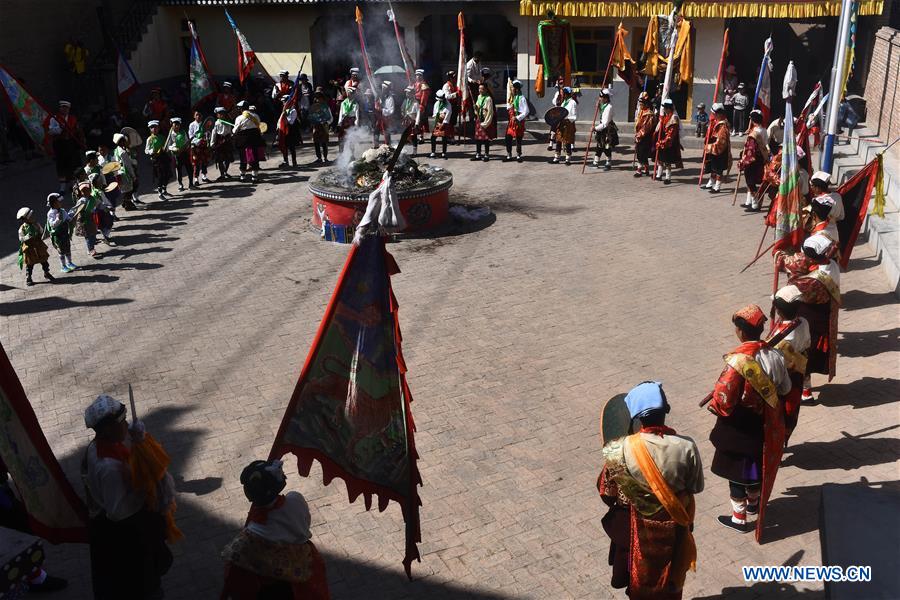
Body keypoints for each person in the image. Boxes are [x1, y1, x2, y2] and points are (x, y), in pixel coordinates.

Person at [597, 381, 703, 599]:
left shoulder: (618, 450)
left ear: (635, 418)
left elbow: (606, 492)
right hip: (674, 528)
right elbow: (696, 487)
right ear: (666, 410)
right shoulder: (686, 446)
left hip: (633, 530)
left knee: (636, 580)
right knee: (669, 581)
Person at [706, 305, 791, 535]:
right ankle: (754, 504)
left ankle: (739, 518)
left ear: (741, 332)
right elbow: (785, 388)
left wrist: (716, 405)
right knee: (755, 464)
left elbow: (723, 398)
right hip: (764, 422)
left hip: (737, 425)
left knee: (736, 472)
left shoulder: (737, 361)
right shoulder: (776, 355)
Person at [82, 395, 175, 600]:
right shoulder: (109, 468)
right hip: (126, 539)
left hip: (115, 529)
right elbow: (118, 512)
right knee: (142, 586)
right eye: (122, 422)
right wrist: (146, 490)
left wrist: (140, 441)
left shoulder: (96, 446)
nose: (126, 424)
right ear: (107, 429)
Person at [220, 460, 330, 599]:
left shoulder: (250, 536)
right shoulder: (296, 500)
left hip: (273, 589)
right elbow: (305, 523)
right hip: (305, 564)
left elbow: (236, 579)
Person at [776, 235, 841, 402]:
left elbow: (791, 292)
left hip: (808, 318)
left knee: (802, 354)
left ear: (811, 257)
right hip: (823, 315)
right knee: (810, 353)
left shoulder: (812, 282)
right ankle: (805, 390)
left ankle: (804, 391)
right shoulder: (832, 265)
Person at [768, 285, 811, 441]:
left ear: (779, 311)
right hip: (798, 374)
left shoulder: (782, 339)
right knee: (791, 412)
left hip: (783, 381)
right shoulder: (804, 323)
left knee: (779, 414)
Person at [45, 100, 84, 195]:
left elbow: (77, 130)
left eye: (66, 108)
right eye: (62, 107)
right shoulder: (54, 118)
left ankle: (73, 184)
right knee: (61, 165)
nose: (64, 109)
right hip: (60, 144)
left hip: (71, 144)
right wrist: (59, 128)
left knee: (72, 164)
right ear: (60, 108)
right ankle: (62, 187)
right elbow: (50, 131)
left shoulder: (72, 119)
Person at [737, 109, 769, 211]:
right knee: (753, 180)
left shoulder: (754, 134)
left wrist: (743, 161)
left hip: (752, 159)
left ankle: (755, 204)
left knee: (750, 181)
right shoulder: (763, 130)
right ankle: (749, 201)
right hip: (761, 158)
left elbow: (751, 149)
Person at [16, 207, 54, 286]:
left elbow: (41, 230)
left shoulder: (36, 224)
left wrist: (40, 231)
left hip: (38, 245)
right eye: (31, 217)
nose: (33, 218)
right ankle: (28, 277)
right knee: (30, 264)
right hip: (30, 248)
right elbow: (21, 239)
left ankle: (46, 272)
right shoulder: (22, 229)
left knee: (44, 261)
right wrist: (27, 237)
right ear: (25, 219)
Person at [702, 103, 732, 193]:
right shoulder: (716, 122)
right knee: (713, 167)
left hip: (720, 150)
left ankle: (717, 186)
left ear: (719, 114)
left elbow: (721, 143)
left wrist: (710, 147)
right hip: (714, 149)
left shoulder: (723, 126)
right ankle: (711, 182)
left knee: (719, 169)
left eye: (714, 114)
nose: (712, 115)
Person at [233, 104, 266, 183]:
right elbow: (259, 126)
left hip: (243, 141)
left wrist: (234, 130)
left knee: (243, 158)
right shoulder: (256, 116)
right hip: (254, 139)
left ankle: (242, 177)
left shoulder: (239, 118)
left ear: (241, 109)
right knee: (255, 158)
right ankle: (254, 178)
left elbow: (235, 131)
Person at [46, 193, 77, 273]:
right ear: (53, 203)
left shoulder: (62, 211)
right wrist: (58, 219)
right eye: (59, 202)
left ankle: (69, 263)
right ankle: (63, 266)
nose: (61, 203)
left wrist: (72, 218)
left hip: (65, 233)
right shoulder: (50, 213)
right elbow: (52, 225)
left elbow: (68, 218)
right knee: (61, 251)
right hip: (58, 235)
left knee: (68, 249)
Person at [655, 99, 682, 184]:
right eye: (664, 108)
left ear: (670, 108)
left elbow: (672, 133)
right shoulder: (664, 117)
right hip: (662, 140)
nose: (665, 110)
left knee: (667, 161)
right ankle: (659, 175)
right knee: (660, 159)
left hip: (669, 143)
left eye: (666, 108)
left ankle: (668, 177)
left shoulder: (674, 118)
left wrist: (664, 142)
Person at [73, 181, 101, 258]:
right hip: (84, 220)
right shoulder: (81, 200)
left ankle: (91, 247)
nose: (86, 192)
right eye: (83, 191)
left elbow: (99, 204)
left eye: (87, 190)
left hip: (92, 219)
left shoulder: (92, 199)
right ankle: (91, 249)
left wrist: (105, 208)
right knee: (88, 235)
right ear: (81, 192)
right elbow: (75, 210)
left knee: (93, 234)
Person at [145, 120, 171, 200]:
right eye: (152, 127)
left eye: (156, 127)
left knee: (167, 175)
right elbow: (146, 150)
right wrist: (151, 151)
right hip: (156, 159)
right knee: (160, 176)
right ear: (150, 129)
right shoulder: (149, 139)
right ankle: (160, 193)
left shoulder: (162, 137)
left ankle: (164, 189)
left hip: (164, 158)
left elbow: (167, 146)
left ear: (158, 128)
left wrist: (167, 149)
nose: (154, 129)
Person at [633, 92, 657, 178]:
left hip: (645, 137)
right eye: (640, 104)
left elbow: (646, 127)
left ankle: (639, 170)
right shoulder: (641, 112)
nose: (640, 106)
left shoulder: (649, 114)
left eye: (642, 104)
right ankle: (646, 169)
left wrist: (639, 135)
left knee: (641, 153)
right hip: (639, 135)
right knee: (641, 153)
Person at [113, 132, 139, 211]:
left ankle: (126, 202)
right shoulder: (123, 152)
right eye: (124, 141)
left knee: (124, 189)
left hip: (118, 172)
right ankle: (127, 203)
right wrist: (133, 175)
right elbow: (127, 165)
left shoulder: (116, 150)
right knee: (129, 189)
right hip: (125, 173)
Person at [592, 88, 616, 170]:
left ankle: (608, 163)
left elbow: (605, 123)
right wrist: (598, 107)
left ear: (606, 98)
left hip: (607, 129)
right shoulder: (604, 106)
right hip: (602, 128)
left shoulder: (609, 107)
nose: (600, 99)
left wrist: (595, 128)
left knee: (606, 147)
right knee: (599, 145)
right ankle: (595, 162)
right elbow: (602, 115)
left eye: (601, 97)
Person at [552, 87, 577, 165]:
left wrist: (567, 119)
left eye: (564, 93)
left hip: (568, 123)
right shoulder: (563, 102)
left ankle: (568, 159)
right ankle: (556, 158)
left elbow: (574, 115)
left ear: (567, 94)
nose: (563, 95)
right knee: (558, 140)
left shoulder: (573, 103)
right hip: (561, 123)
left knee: (568, 141)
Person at [167, 117, 193, 191]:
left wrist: (186, 147)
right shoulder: (170, 134)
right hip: (176, 155)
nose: (177, 126)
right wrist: (174, 149)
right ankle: (180, 184)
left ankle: (191, 184)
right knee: (179, 170)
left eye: (178, 125)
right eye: (175, 125)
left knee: (189, 168)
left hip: (185, 152)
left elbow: (187, 141)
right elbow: (168, 145)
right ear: (172, 125)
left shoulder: (183, 132)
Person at [472, 82, 496, 162]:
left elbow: (490, 112)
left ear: (486, 89)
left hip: (485, 120)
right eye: (479, 88)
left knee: (486, 139)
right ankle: (478, 154)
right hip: (479, 120)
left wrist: (486, 123)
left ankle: (486, 154)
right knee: (478, 138)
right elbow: (477, 108)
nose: (480, 90)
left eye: (482, 89)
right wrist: (476, 108)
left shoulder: (488, 99)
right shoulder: (479, 97)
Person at [505, 80, 528, 163]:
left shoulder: (522, 98)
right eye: (512, 88)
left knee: (518, 138)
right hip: (511, 121)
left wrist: (518, 117)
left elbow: (526, 111)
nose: (513, 90)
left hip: (518, 121)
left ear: (518, 89)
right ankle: (509, 155)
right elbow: (508, 107)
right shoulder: (512, 97)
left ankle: (518, 155)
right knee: (508, 137)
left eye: (514, 88)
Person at [277, 95, 302, 168]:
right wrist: (278, 127)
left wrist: (285, 116)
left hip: (290, 131)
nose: (283, 103)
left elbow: (291, 122)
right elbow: (280, 120)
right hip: (283, 130)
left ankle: (294, 163)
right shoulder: (284, 109)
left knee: (292, 147)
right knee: (284, 146)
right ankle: (286, 162)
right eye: (283, 101)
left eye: (284, 101)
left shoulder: (293, 110)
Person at [211, 107, 234, 180]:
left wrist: (231, 137)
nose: (221, 115)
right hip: (219, 142)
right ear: (217, 115)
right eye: (219, 114)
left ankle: (225, 171)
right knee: (220, 159)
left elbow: (230, 131)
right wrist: (212, 143)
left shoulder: (228, 122)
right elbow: (214, 133)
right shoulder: (217, 123)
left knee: (228, 158)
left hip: (227, 141)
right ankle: (222, 174)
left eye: (223, 114)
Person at [309, 91, 332, 164]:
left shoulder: (326, 106)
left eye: (319, 98)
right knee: (316, 142)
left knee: (324, 142)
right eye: (316, 98)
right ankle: (319, 158)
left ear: (322, 98)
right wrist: (312, 122)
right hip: (316, 126)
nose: (318, 99)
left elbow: (330, 117)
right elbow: (310, 116)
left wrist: (326, 123)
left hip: (324, 126)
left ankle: (325, 157)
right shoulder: (313, 107)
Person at [189, 111, 211, 184]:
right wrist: (197, 140)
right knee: (196, 163)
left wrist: (207, 137)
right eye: (196, 115)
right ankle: (196, 179)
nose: (198, 116)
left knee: (204, 161)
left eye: (199, 115)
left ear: (201, 116)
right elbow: (191, 136)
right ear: (194, 116)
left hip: (204, 145)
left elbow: (208, 133)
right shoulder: (192, 125)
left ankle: (204, 176)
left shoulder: (204, 124)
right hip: (196, 146)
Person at [430, 89, 453, 158]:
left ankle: (444, 152)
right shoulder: (436, 103)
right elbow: (434, 113)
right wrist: (436, 118)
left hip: (444, 122)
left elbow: (448, 114)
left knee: (444, 138)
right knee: (433, 138)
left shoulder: (448, 104)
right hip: (437, 122)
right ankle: (433, 152)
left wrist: (444, 123)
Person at [337, 88, 360, 152]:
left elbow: (357, 115)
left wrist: (356, 125)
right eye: (348, 93)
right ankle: (341, 153)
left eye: (350, 93)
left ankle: (352, 154)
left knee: (351, 137)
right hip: (344, 121)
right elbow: (341, 113)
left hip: (351, 121)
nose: (349, 95)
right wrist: (339, 122)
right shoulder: (343, 103)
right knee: (341, 137)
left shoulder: (355, 104)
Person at [401, 86, 420, 157]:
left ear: (412, 94)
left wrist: (417, 123)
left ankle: (415, 152)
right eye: (406, 93)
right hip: (406, 121)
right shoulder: (405, 101)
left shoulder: (415, 103)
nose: (407, 94)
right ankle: (404, 151)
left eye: (408, 93)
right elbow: (403, 109)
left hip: (412, 121)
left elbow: (418, 114)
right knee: (405, 136)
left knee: (413, 137)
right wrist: (403, 114)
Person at [547, 76, 565, 151]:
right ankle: (551, 144)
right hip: (556, 113)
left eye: (562, 83)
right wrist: (557, 99)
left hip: (563, 113)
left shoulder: (566, 92)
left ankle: (565, 145)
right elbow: (553, 102)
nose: (561, 84)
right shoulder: (557, 93)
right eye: (560, 83)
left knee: (563, 130)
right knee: (553, 129)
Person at [413, 69, 430, 143]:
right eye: (417, 75)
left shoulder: (424, 85)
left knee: (421, 121)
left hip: (420, 104)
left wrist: (422, 105)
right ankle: (415, 135)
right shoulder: (414, 84)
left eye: (419, 75)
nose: (418, 77)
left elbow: (424, 96)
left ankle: (421, 136)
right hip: (415, 103)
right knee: (415, 120)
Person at [380, 81, 396, 146]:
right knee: (383, 132)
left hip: (387, 118)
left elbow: (391, 111)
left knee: (387, 133)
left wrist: (382, 109)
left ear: (387, 89)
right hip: (381, 117)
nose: (382, 90)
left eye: (383, 89)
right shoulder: (382, 97)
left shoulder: (390, 98)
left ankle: (388, 145)